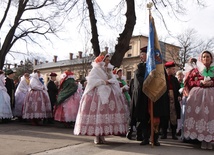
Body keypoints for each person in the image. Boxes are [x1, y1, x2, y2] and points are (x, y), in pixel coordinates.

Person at [74, 51, 129, 144]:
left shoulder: (108, 69)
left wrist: (110, 81)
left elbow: (114, 79)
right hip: (97, 94)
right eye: (106, 60)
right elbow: (92, 80)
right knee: (97, 115)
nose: (108, 61)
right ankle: (97, 136)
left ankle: (102, 135)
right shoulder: (95, 69)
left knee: (105, 115)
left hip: (108, 94)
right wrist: (103, 82)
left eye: (108, 60)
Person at [184, 51, 214, 150]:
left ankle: (210, 140)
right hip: (198, 98)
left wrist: (211, 83)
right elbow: (190, 82)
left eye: (208, 57)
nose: (206, 58)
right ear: (201, 58)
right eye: (204, 57)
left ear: (211, 58)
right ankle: (202, 140)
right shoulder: (196, 70)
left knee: (210, 117)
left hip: (211, 97)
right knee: (201, 116)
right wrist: (200, 82)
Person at [161, 61, 181, 140]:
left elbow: (179, 89)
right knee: (164, 117)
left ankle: (173, 134)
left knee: (174, 117)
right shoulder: (163, 79)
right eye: (173, 69)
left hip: (174, 100)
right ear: (167, 69)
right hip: (165, 100)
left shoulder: (175, 79)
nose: (174, 71)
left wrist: (179, 95)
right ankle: (164, 133)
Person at [175, 70, 184, 136]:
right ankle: (177, 129)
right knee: (178, 115)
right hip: (177, 100)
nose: (180, 77)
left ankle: (180, 129)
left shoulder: (183, 83)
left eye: (181, 75)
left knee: (181, 115)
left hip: (183, 100)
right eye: (179, 75)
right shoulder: (176, 83)